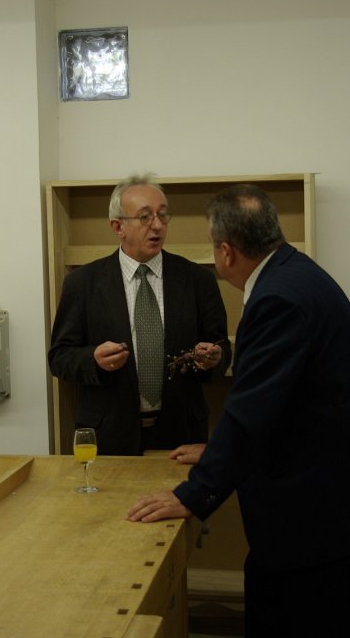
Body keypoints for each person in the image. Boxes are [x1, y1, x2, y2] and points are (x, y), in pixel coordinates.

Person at [127, 184, 350, 637]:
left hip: (317, 516)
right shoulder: (294, 275)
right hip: (329, 504)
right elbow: (283, 405)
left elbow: (251, 411)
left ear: (226, 251)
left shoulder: (278, 298)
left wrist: (192, 495)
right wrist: (217, 452)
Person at [48, 175, 232, 456]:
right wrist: (93, 359)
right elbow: (59, 357)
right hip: (109, 433)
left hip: (181, 432)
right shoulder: (83, 283)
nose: (157, 225)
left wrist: (214, 358)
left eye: (162, 215)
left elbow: (221, 348)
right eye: (145, 217)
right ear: (118, 227)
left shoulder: (197, 279)